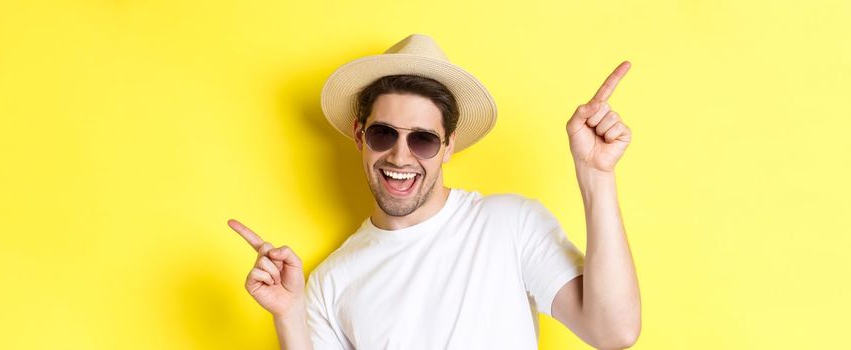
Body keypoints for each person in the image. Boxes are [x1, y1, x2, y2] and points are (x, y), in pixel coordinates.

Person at [228, 34, 641, 349]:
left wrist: (596, 174)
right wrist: (288, 316)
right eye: (383, 133)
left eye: (422, 139)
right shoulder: (330, 283)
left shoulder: (509, 225)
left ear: (449, 146)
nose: (400, 157)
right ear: (359, 135)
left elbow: (613, 330)